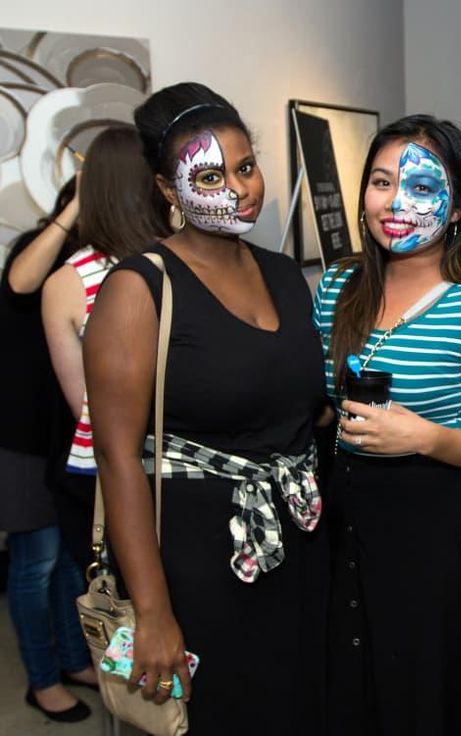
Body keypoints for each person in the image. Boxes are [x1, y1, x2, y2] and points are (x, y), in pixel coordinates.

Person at [83, 83, 329, 733]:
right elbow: (116, 456)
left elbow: (302, 407)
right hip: (193, 565)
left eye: (246, 168)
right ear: (170, 189)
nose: (239, 189)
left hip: (294, 543)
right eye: (212, 176)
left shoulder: (283, 274)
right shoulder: (139, 289)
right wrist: (154, 609)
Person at [314, 114, 461, 733]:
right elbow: (322, 404)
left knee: (426, 697)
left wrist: (422, 437)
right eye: (381, 182)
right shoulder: (335, 288)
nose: (396, 202)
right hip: (346, 522)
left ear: (457, 209)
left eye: (422, 188)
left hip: (438, 533)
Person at [41, 126, 169, 570]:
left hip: (108, 472)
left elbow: (84, 405)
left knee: (119, 617)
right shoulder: (183, 260)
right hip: (190, 463)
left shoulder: (65, 283)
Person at [0, 179, 97, 723]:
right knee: (34, 563)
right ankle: (41, 680)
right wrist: (77, 204)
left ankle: (72, 658)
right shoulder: (37, 250)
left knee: (67, 561)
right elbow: (18, 285)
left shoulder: (101, 260)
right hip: (20, 438)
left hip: (65, 438)